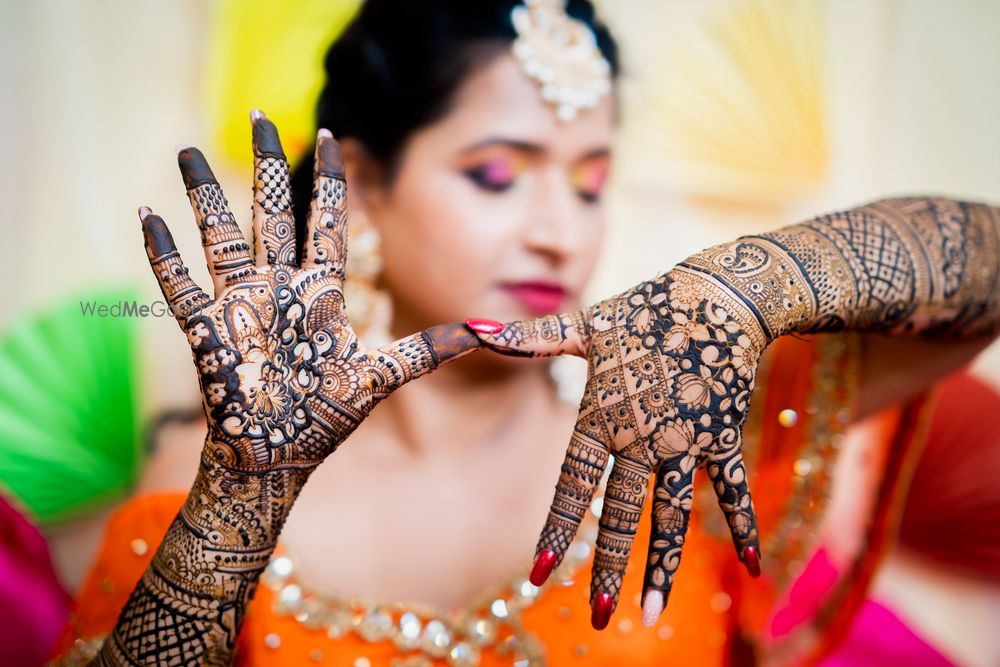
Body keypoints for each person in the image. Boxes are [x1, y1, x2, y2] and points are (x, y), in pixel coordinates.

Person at [53, 0, 1000, 665]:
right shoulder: (216, 471)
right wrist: (241, 507)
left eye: (590, 182)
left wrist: (748, 285)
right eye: (498, 175)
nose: (560, 228)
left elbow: (986, 264)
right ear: (369, 185)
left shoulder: (681, 422)